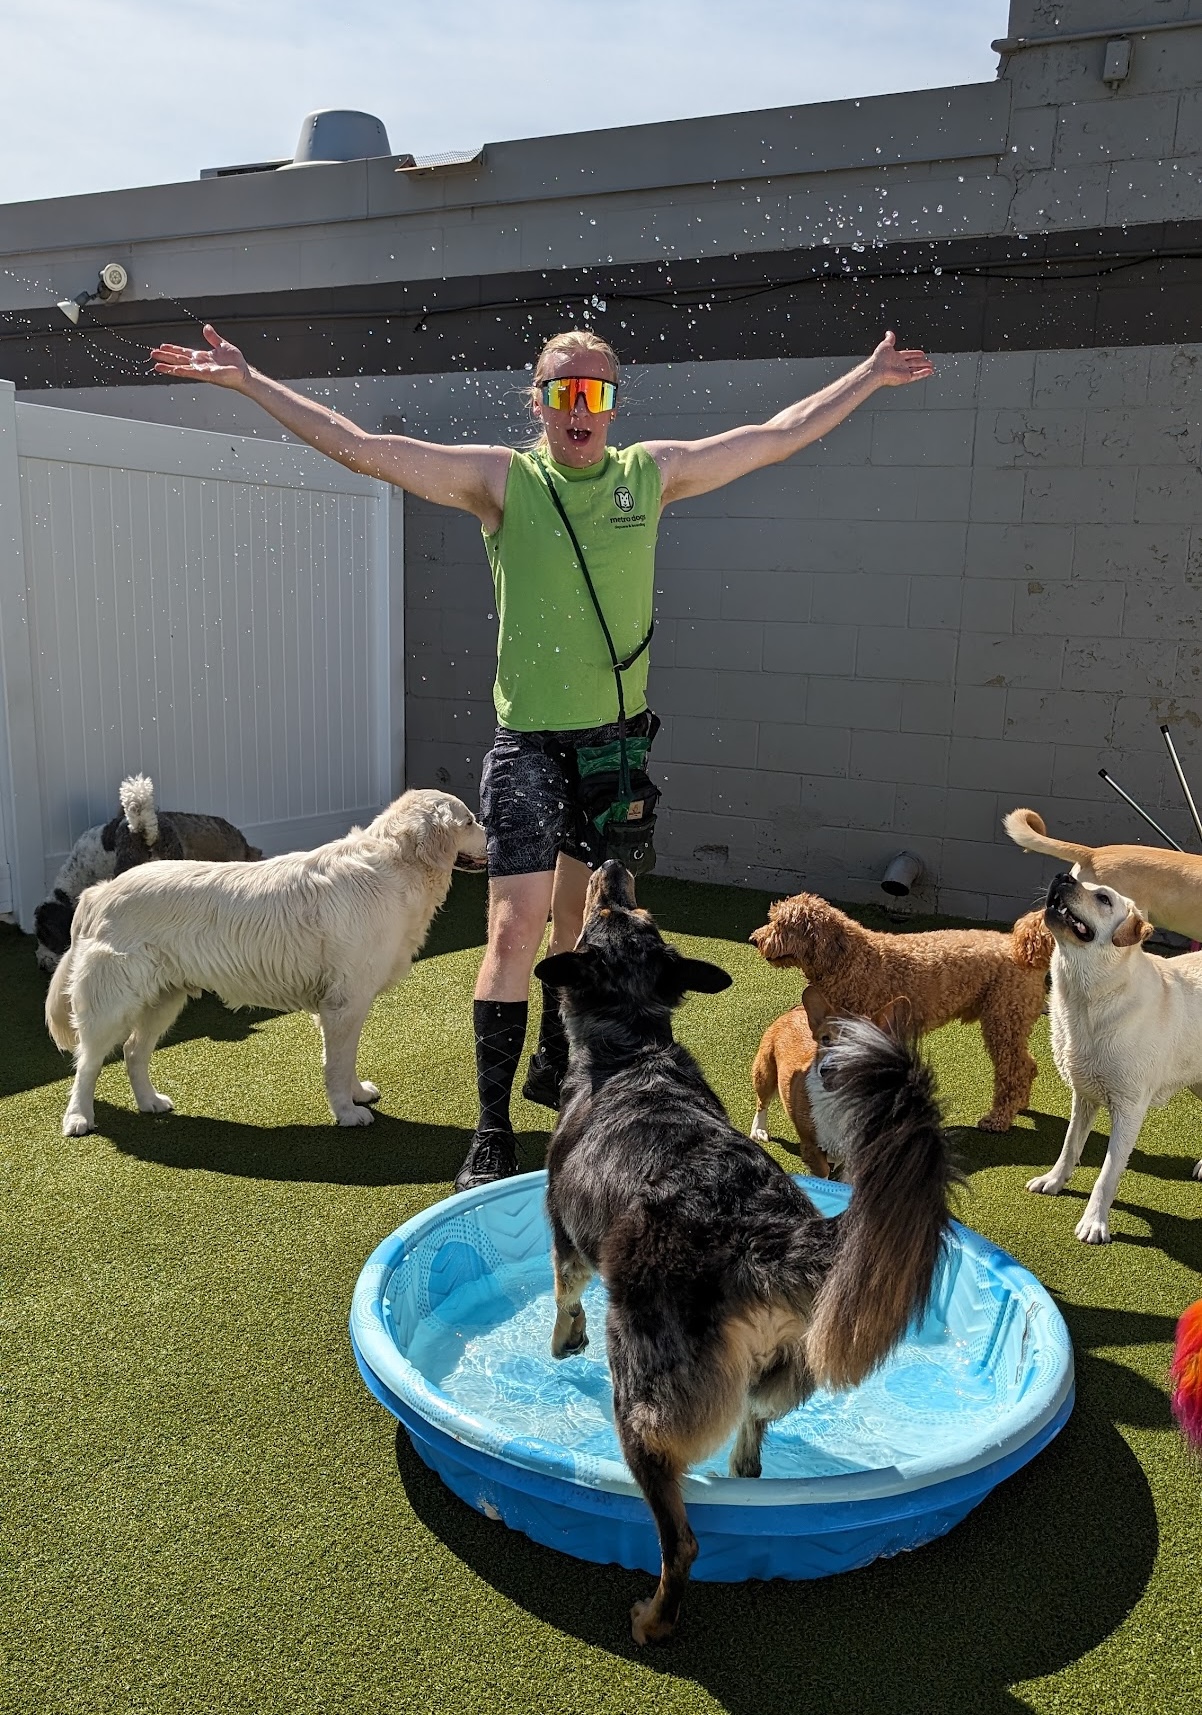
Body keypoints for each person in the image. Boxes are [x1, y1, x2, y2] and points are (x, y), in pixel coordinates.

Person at [150, 321, 934, 1189]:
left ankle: (559, 1074)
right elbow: (366, 450)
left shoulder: (651, 473)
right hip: (527, 747)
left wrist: (865, 374)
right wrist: (251, 379)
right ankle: (491, 1129)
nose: (579, 407)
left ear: (613, 403)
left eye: (594, 391)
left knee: (581, 928)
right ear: (539, 400)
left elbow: (778, 438)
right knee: (516, 927)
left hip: (615, 751)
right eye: (562, 390)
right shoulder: (504, 481)